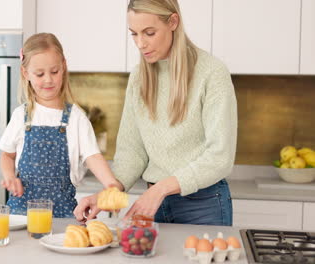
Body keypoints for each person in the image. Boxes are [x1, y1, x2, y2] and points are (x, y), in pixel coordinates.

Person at [74, 0, 237, 226]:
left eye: (149, 33)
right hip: (154, 205)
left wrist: (161, 188)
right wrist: (108, 193)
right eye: (134, 34)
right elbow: (132, 152)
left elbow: (220, 157)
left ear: (173, 21)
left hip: (203, 204)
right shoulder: (139, 77)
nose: (140, 43)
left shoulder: (211, 72)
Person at [0, 33, 122, 218]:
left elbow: (93, 156)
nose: (48, 79)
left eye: (54, 71)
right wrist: (10, 176)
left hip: (63, 218)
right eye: (39, 74)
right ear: (26, 74)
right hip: (20, 217)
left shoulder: (76, 119)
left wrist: (112, 185)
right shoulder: (21, 116)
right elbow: (7, 154)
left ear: (63, 66)